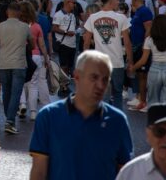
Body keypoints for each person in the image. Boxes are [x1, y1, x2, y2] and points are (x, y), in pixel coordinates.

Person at [30, 50, 133, 180]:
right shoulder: (48, 117)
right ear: (77, 77)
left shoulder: (118, 121)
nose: (100, 85)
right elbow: (39, 172)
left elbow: (125, 172)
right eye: (94, 77)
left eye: (105, 79)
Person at [84, 0, 134, 108]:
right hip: (117, 62)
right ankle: (117, 119)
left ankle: (103, 121)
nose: (118, 3)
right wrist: (130, 59)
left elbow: (86, 42)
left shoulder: (92, 18)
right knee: (117, 93)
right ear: (111, 1)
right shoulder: (121, 18)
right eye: (117, 0)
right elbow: (127, 41)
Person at [0, 1, 33, 135]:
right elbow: (32, 44)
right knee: (16, 93)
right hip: (19, 63)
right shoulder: (25, 26)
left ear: (7, 12)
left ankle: (9, 118)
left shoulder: (0, 26)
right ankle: (10, 121)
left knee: (7, 91)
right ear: (19, 12)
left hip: (4, 63)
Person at [128, 0, 154, 111]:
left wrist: (145, 45)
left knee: (143, 75)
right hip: (137, 45)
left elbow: (148, 29)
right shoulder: (138, 11)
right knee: (140, 75)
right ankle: (140, 99)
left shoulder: (144, 11)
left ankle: (144, 101)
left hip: (141, 46)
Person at [52, 0, 79, 77]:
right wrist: (66, 32)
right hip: (63, 44)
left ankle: (66, 82)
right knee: (64, 65)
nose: (74, 5)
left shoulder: (72, 15)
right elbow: (54, 28)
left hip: (72, 44)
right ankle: (64, 85)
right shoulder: (58, 14)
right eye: (73, 3)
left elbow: (74, 27)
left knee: (70, 65)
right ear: (67, 3)